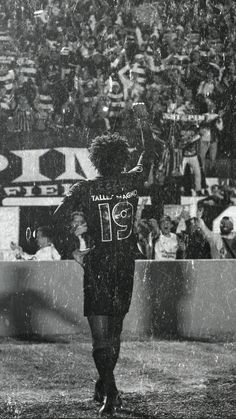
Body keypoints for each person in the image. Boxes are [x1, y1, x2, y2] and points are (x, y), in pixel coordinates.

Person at [54, 131, 151, 416]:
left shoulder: (84, 188)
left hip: (98, 264)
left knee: (100, 337)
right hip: (124, 264)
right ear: (123, 158)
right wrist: (144, 124)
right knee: (115, 331)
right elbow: (150, 154)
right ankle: (105, 386)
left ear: (96, 160)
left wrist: (72, 248)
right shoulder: (132, 180)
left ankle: (110, 392)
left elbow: (58, 215)